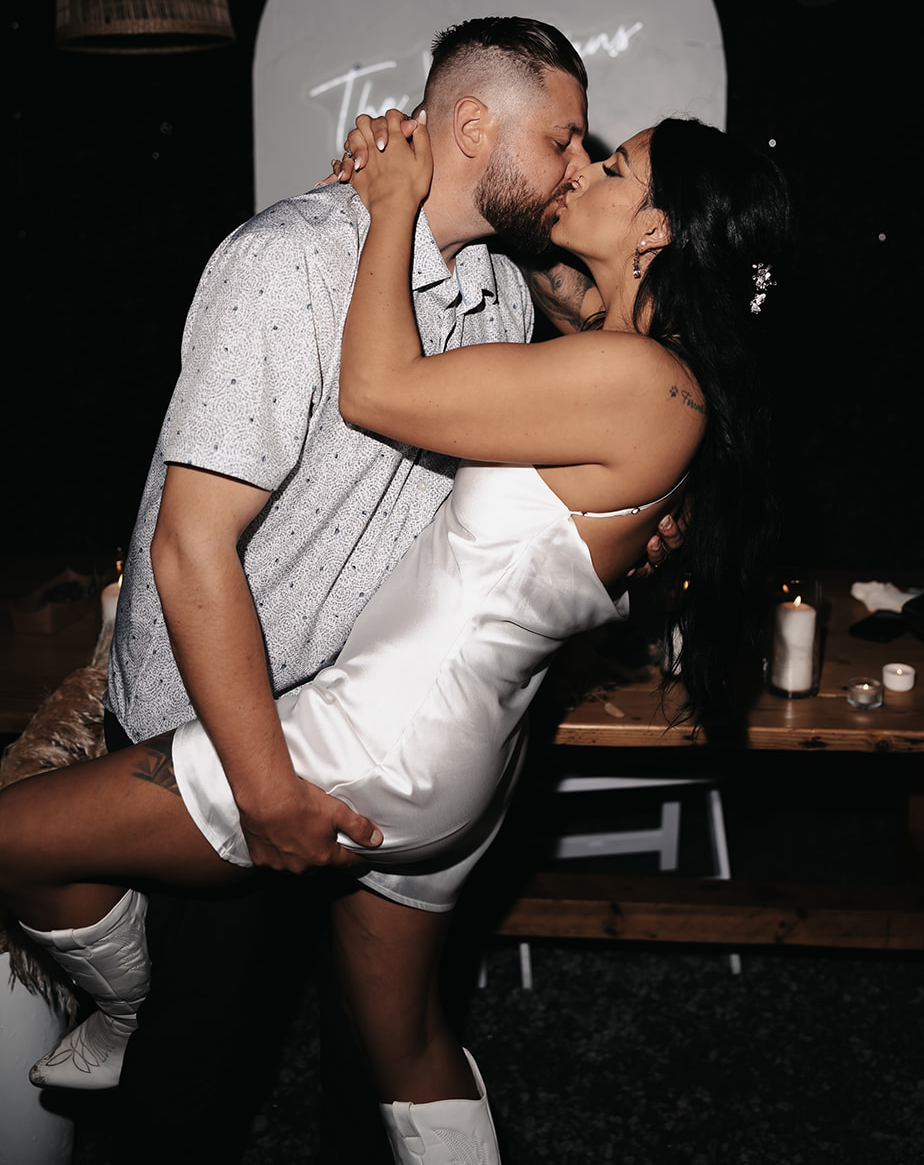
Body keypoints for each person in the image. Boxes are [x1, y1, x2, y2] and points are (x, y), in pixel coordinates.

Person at [0, 109, 790, 1165]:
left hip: (375, 741)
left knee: (14, 839)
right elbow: (555, 320)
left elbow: (377, 390)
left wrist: (389, 207)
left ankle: (126, 1000)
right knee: (409, 1051)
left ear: (652, 231)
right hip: (456, 765)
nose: (587, 169)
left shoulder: (642, 382)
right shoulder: (644, 368)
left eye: (613, 164)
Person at [84, 15, 594, 1164]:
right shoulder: (288, 261)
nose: (573, 162)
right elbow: (188, 549)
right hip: (220, 737)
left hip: (357, 742)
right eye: (560, 138)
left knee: (368, 1078)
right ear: (470, 125)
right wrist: (262, 788)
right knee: (190, 1077)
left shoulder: (503, 302)